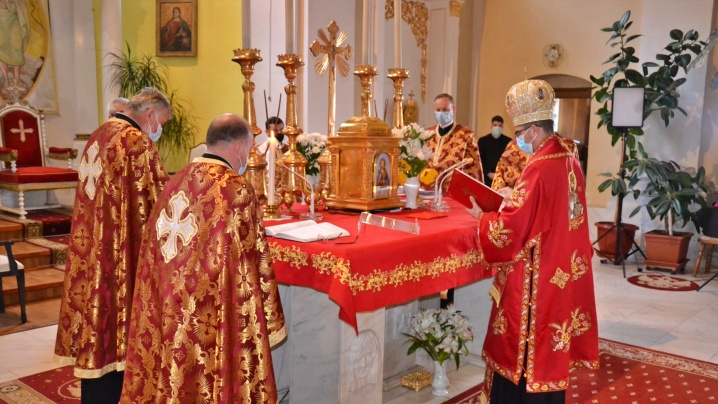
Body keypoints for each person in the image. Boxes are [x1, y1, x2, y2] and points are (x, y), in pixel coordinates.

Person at [120, 113, 286, 403]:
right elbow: (253, 259)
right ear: (239, 148)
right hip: (207, 312)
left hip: (167, 301)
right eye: (248, 149)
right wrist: (270, 313)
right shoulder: (235, 188)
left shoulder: (175, 181)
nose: (247, 157)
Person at [467, 79, 598, 403]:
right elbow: (549, 210)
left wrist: (481, 217)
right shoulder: (567, 153)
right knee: (548, 349)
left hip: (536, 278)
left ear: (535, 131)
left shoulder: (539, 166)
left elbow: (513, 229)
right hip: (560, 269)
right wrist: (514, 198)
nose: (518, 139)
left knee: (525, 349)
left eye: (520, 131)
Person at [54, 87, 172, 403]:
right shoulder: (137, 144)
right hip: (122, 257)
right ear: (150, 115)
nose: (159, 129)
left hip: (92, 251)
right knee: (120, 332)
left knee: (97, 329)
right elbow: (159, 206)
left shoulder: (99, 134)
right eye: (161, 122)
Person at [425, 93, 483, 193]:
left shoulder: (466, 135)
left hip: (453, 193)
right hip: (428, 191)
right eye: (438, 110)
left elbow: (475, 170)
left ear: (453, 110)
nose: (441, 113)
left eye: (445, 110)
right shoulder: (427, 134)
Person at [0, 0, 29, 91]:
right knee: (1, 48)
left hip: (13, 17)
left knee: (17, 46)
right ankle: (6, 80)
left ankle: (17, 77)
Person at [478, 115, 512, 185]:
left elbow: (509, 161)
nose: (497, 127)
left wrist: (500, 175)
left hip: (502, 179)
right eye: (495, 125)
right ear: (491, 126)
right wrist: (488, 173)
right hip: (486, 178)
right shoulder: (482, 141)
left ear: (502, 128)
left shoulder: (508, 142)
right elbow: (479, 159)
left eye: (500, 125)